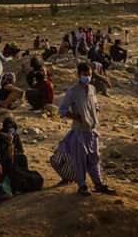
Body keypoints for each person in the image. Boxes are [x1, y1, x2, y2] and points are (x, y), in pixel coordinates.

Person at [56, 63, 115, 196]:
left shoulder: (92, 89)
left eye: (89, 74)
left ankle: (98, 184)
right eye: (85, 75)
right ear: (78, 75)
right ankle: (82, 185)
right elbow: (62, 110)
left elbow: (95, 105)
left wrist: (96, 113)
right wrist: (76, 116)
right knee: (80, 159)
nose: (87, 77)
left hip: (92, 130)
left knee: (94, 158)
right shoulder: (72, 91)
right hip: (79, 131)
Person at [0, 118, 43, 194]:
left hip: (12, 159)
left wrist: (14, 151)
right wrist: (9, 145)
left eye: (11, 127)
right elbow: (0, 153)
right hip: (2, 161)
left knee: (22, 158)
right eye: (8, 127)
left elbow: (20, 149)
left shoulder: (15, 135)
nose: (10, 130)